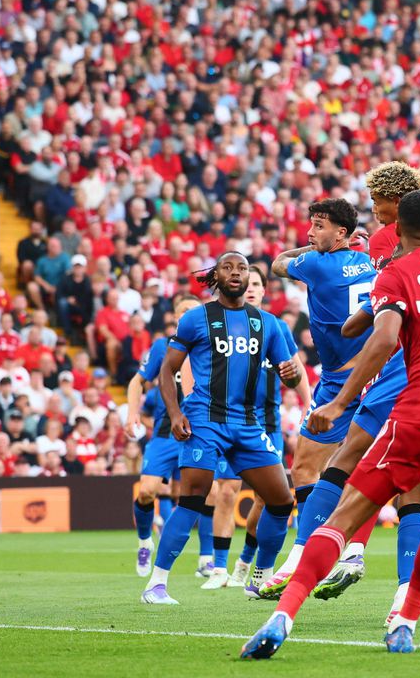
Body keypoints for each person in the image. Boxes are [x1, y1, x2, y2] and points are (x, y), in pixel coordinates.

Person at [241, 190, 420, 659]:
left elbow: (378, 337)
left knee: (346, 509)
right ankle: (404, 622)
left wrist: (339, 401)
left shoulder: (397, 271)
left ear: (396, 230)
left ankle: (284, 614)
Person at [140, 252, 302, 604]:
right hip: (204, 420)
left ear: (249, 278)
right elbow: (167, 371)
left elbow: (293, 373)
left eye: (242, 268)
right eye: (228, 267)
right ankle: (157, 583)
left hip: (247, 423)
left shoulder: (268, 323)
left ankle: (260, 576)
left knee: (281, 500)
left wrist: (294, 375)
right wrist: (175, 412)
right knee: (193, 499)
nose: (235, 273)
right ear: (216, 275)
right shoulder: (196, 319)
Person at [261, 200, 375, 588]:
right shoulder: (369, 259)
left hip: (340, 382)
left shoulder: (316, 264)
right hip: (378, 373)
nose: (310, 233)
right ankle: (352, 552)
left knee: (306, 466)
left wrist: (312, 250)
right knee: (358, 467)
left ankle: (300, 554)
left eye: (319, 226)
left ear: (341, 233)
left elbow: (277, 262)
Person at [203, 265, 309, 590]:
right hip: (226, 419)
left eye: (256, 284)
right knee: (225, 490)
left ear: (264, 291)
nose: (250, 288)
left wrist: (308, 404)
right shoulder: (221, 325)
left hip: (267, 422)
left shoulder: (275, 327)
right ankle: (218, 568)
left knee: (267, 498)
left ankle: (247, 562)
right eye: (245, 284)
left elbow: (295, 369)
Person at [125, 296, 199, 578]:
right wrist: (132, 413)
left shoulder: (212, 346)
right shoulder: (163, 346)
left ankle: (209, 560)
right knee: (146, 492)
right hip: (166, 433)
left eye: (195, 312)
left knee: (212, 494)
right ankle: (145, 541)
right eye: (184, 312)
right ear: (176, 318)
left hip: (200, 431)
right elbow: (137, 381)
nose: (190, 316)